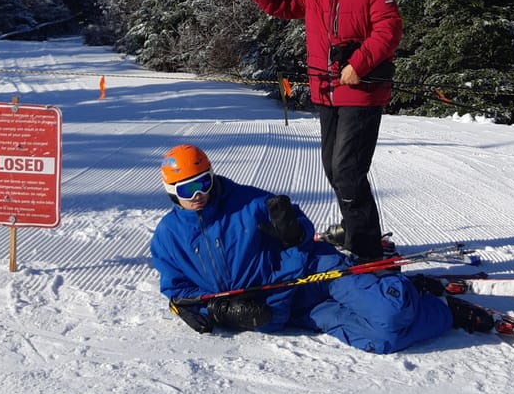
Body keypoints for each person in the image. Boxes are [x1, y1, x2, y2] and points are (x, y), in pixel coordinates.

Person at [150, 143, 495, 352]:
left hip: (316, 274)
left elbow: (302, 230)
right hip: (282, 311)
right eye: (186, 190)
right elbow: (180, 293)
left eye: (203, 183)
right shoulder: (167, 238)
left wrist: (294, 237)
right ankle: (431, 304)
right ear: (170, 192)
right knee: (382, 339)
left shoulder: (251, 202)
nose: (198, 196)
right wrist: (220, 313)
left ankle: (417, 297)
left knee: (390, 313)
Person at [237, 0, 400, 262]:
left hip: (361, 92)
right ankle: (352, 228)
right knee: (331, 167)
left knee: (347, 170)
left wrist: (359, 64)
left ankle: (367, 249)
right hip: (325, 93)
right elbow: (278, 5)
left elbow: (389, 28)